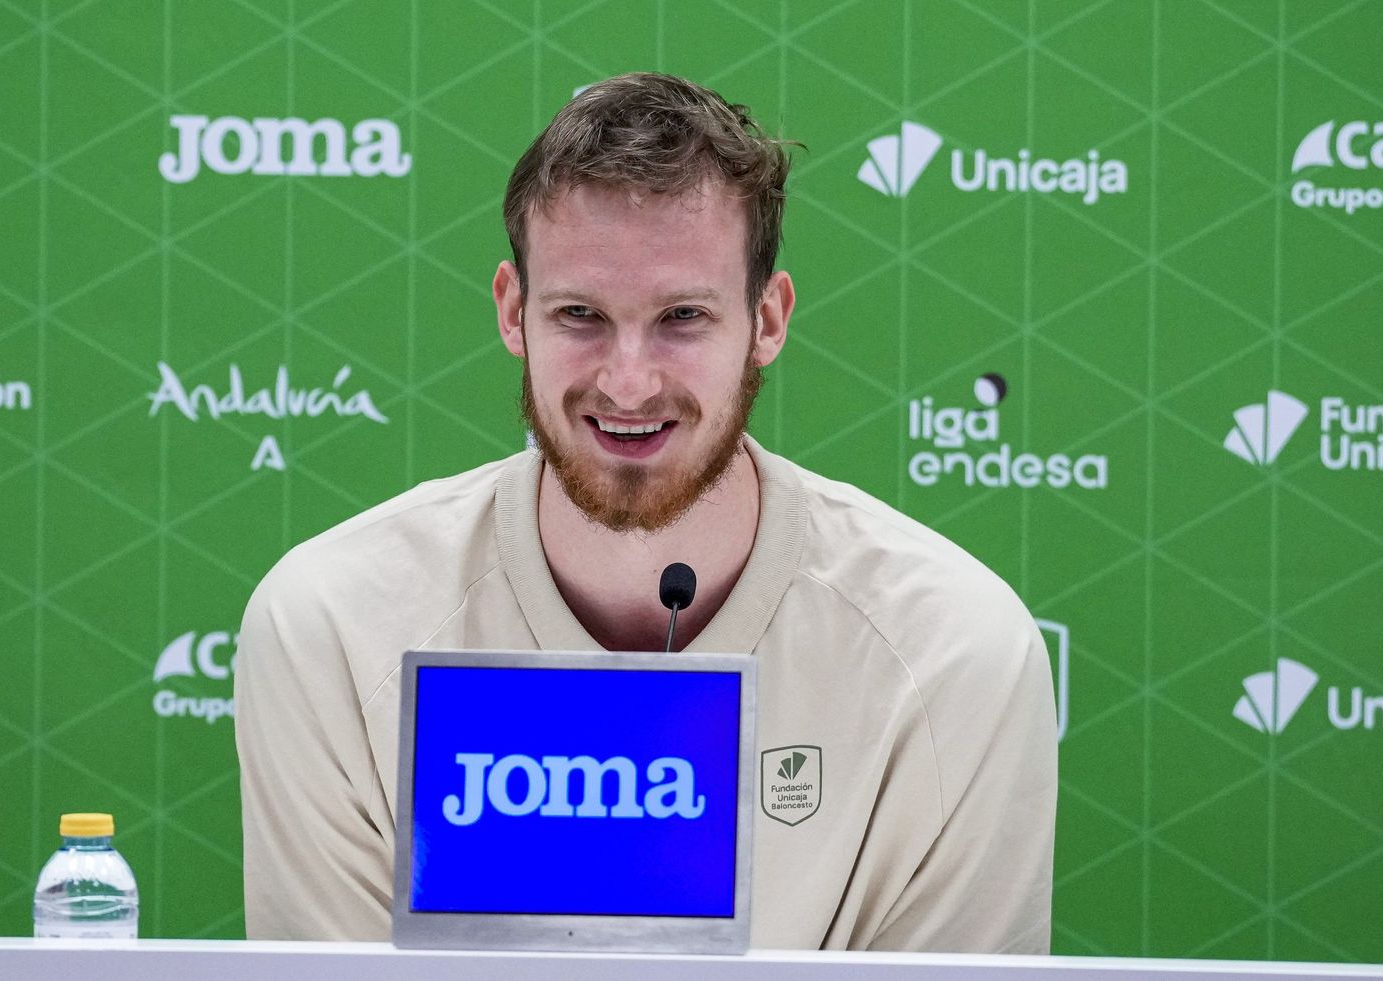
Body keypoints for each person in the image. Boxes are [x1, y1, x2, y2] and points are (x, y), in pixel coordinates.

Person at [235, 72, 1057, 952]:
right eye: (581, 313)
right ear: (514, 311)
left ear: (767, 318)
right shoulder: (329, 626)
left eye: (683, 317)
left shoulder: (955, 652)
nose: (628, 380)